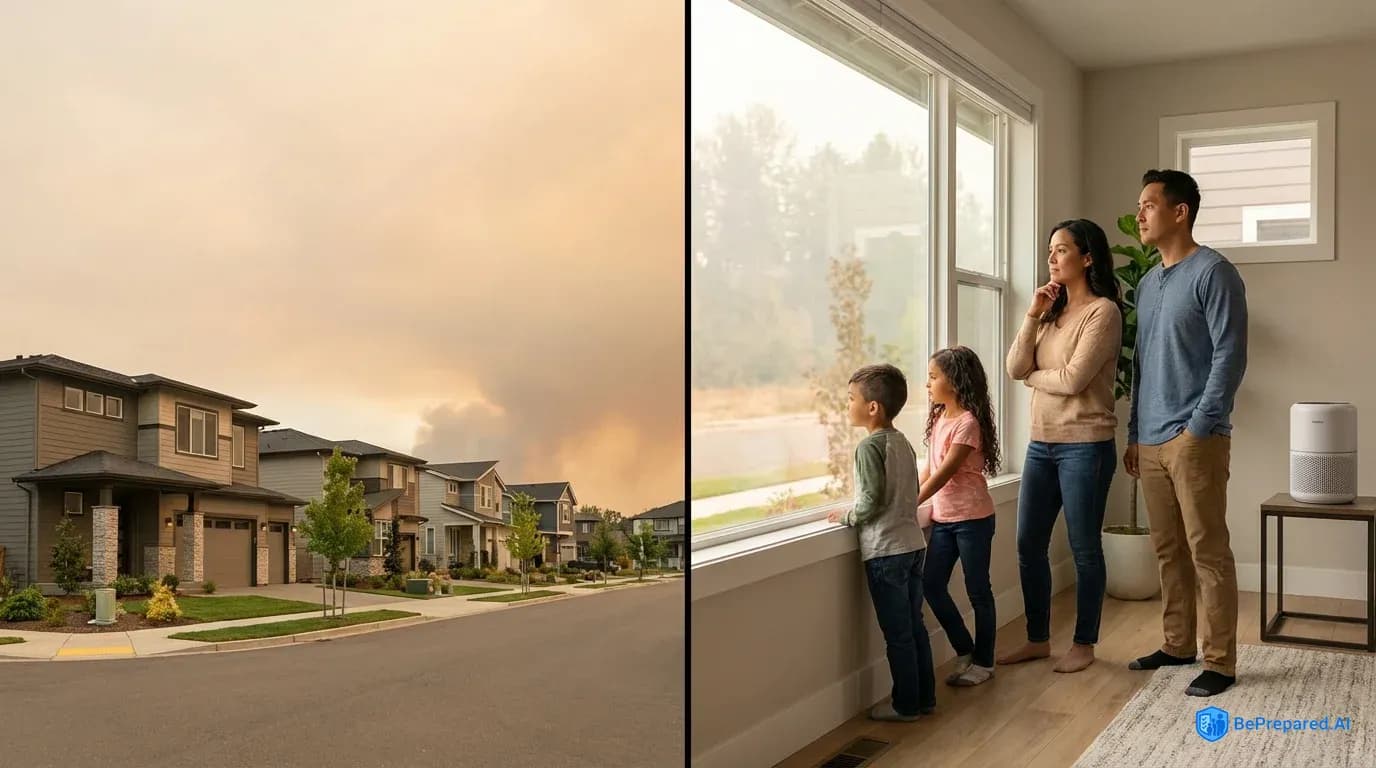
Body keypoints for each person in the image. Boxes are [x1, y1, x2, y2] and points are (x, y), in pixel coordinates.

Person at [1124, 169, 1248, 697]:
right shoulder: (1147, 284)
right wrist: (1134, 431)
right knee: (1167, 549)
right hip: (1150, 439)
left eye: (1149, 205)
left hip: (1196, 438)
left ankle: (1220, 661)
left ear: (1180, 212)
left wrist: (1199, 427)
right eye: (1139, 204)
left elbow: (1230, 355)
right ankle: (1177, 645)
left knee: (1207, 552)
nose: (1140, 214)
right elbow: (1142, 364)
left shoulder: (1214, 272)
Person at [1000, 219, 1123, 674]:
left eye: (1062, 249)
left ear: (1087, 258)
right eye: (1050, 250)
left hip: (1085, 446)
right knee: (1028, 544)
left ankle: (1084, 643)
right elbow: (1014, 366)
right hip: (1041, 444)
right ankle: (1037, 640)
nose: (1051, 258)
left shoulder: (1103, 313)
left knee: (1084, 548)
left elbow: (1073, 380)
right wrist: (1032, 314)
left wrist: (1033, 377)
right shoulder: (1049, 314)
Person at [826, 363, 935, 720]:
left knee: (898, 635)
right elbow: (909, 491)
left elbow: (870, 501)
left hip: (886, 551)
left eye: (851, 399)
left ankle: (906, 706)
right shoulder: (903, 443)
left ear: (872, 407)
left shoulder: (867, 448)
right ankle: (925, 698)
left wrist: (846, 516)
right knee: (915, 626)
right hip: (913, 545)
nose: (847, 405)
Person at [918, 347, 1000, 687]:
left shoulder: (968, 423)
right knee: (931, 585)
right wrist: (906, 498)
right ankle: (965, 649)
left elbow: (946, 473)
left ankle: (984, 662)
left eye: (933, 377)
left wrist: (911, 503)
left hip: (973, 520)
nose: (927, 384)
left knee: (978, 590)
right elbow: (930, 469)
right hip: (944, 519)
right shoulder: (940, 418)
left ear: (954, 381)